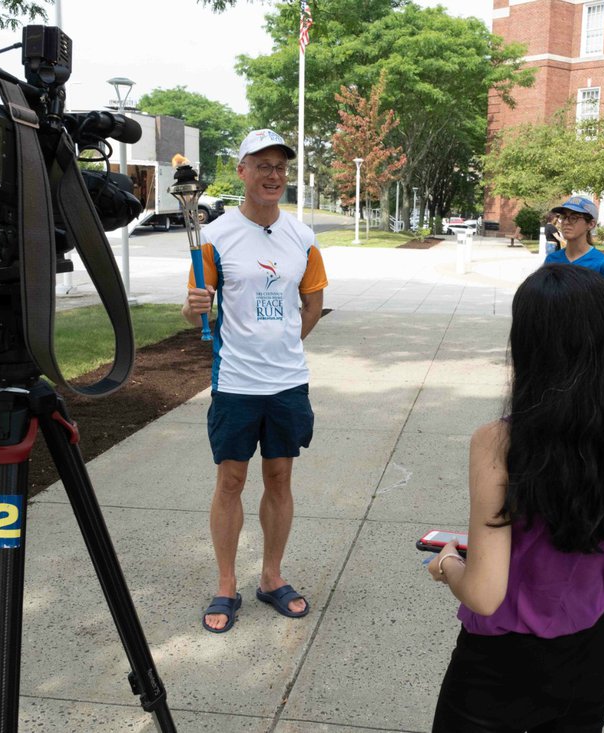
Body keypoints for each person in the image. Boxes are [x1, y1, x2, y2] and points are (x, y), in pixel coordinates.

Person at [427, 265, 604, 731]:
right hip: (588, 659)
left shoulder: (499, 443)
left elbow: (484, 594)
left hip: (496, 671)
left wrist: (446, 563)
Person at [183, 129, 328, 634]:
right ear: (241, 170)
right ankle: (226, 585)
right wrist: (193, 308)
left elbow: (313, 303)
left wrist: (284, 343)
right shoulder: (215, 236)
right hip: (236, 382)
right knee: (231, 480)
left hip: (287, 382)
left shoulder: (302, 237)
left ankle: (271, 576)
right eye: (262, 165)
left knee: (280, 477)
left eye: (280, 167)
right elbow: (194, 311)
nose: (273, 175)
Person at [542, 196, 604, 286]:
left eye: (573, 217)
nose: (566, 222)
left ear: (591, 224)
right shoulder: (552, 260)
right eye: (564, 217)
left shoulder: (601, 264)